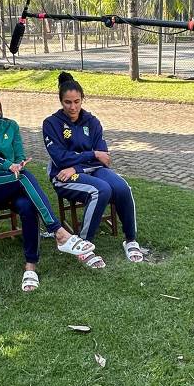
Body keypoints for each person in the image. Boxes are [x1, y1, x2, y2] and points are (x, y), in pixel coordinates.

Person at [0, 82, 100, 288]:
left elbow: (18, 155)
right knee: (24, 177)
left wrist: (18, 163)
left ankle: (30, 267)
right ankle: (59, 232)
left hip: (13, 184)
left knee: (27, 205)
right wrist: (10, 166)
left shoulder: (11, 125)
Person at [42, 72, 143, 265]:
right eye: (67, 102)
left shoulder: (92, 122)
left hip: (87, 170)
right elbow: (61, 158)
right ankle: (83, 245)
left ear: (82, 99)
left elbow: (104, 157)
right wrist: (92, 155)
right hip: (63, 177)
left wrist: (78, 165)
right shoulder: (51, 124)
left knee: (122, 188)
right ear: (61, 101)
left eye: (77, 101)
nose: (73, 107)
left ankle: (130, 240)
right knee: (101, 190)